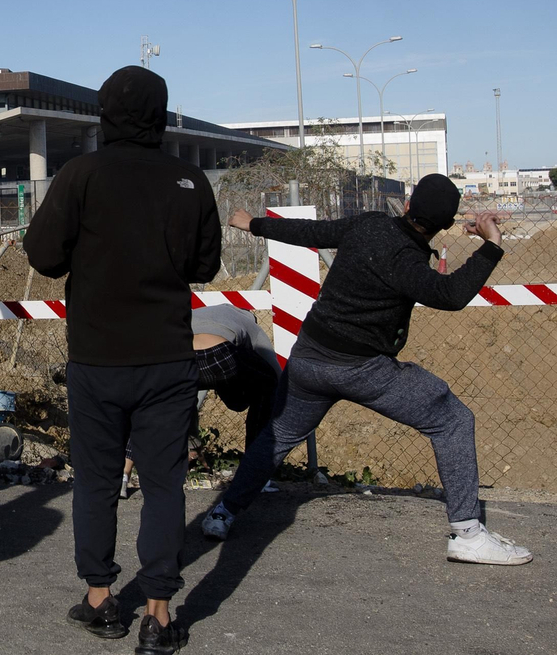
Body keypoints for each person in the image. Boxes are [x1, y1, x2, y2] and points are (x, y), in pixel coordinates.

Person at [201, 175, 532, 570]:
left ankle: (223, 513)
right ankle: (468, 534)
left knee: (279, 436)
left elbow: (312, 231)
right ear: (445, 226)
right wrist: (491, 244)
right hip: (363, 369)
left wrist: (253, 223)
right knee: (452, 419)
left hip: (309, 361)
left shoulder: (370, 223)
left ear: (406, 205)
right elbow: (450, 294)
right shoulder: (407, 261)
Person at [25, 65, 221, 655]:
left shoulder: (80, 174)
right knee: (166, 485)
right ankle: (158, 615)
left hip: (97, 359)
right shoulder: (190, 180)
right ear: (161, 114)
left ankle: (101, 599)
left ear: (106, 112)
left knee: (97, 482)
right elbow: (205, 268)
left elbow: (43, 255)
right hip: (167, 358)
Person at [121, 305, 282, 499]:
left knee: (153, 406)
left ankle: (122, 476)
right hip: (217, 356)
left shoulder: (194, 315)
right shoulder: (250, 323)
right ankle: (256, 476)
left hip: (170, 358)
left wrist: (192, 442)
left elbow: (186, 402)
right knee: (269, 385)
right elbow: (274, 369)